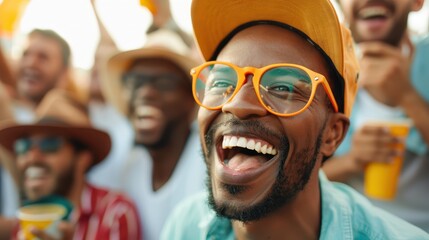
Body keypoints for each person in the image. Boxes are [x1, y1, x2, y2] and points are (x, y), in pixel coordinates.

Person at [160, 0, 429, 239]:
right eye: (221, 81)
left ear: (333, 134)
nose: (238, 104)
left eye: (283, 88)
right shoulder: (185, 225)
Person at [323, 0, 429, 231]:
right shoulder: (325, 72)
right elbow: (295, 181)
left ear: (418, 2)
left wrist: (406, 96)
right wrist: (351, 162)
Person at [104, 29, 206, 240]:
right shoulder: (128, 167)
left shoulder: (210, 165)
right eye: (136, 82)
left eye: (164, 83)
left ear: (191, 99)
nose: (145, 93)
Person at [0, 89, 142, 239]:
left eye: (50, 145)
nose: (32, 157)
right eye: (24, 145)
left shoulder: (114, 212)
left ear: (83, 158)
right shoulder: (26, 218)